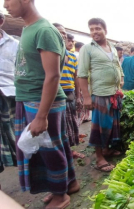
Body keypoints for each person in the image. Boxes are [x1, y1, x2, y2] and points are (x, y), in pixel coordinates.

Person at [4, 0, 79, 208]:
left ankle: (60, 195)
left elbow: (53, 76)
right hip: (31, 98)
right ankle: (68, 184)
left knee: (49, 149)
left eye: (8, 0)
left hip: (41, 101)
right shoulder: (29, 28)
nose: (4, 5)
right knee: (57, 145)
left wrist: (41, 116)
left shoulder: (44, 30)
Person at [78, 18, 124, 173]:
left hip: (114, 93)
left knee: (111, 125)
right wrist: (86, 97)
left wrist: (121, 79)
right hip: (100, 93)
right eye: (91, 29)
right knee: (100, 127)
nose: (94, 32)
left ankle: (107, 150)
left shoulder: (111, 47)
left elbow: (118, 66)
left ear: (105, 30)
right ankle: (99, 158)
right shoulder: (87, 48)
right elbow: (82, 75)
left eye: (97, 28)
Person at [53, 24, 85, 159]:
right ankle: (62, 153)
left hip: (69, 92)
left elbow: (76, 77)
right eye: (60, 33)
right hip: (55, 94)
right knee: (59, 126)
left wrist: (78, 97)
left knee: (70, 124)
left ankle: (69, 150)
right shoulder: (51, 54)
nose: (68, 40)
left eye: (65, 34)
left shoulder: (73, 57)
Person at [0, 11, 18, 181]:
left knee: (15, 141)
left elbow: (21, 72)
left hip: (9, 98)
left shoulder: (14, 45)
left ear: (1, 21)